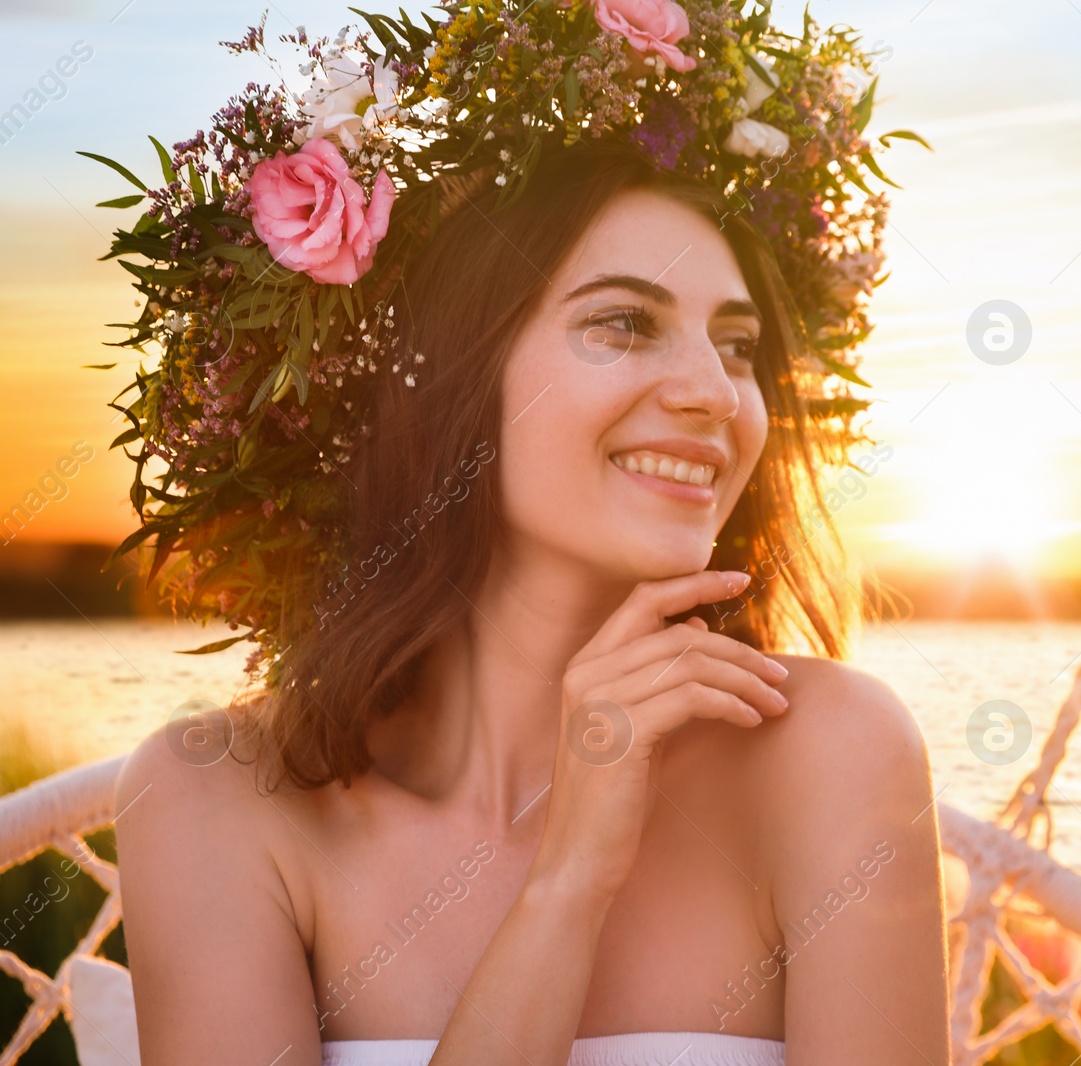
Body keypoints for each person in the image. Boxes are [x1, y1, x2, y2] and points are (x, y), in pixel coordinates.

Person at [112, 130, 950, 1065]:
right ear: (451, 378)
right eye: (625, 323)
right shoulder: (215, 798)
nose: (715, 394)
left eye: (739, 345)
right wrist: (570, 880)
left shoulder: (830, 753)